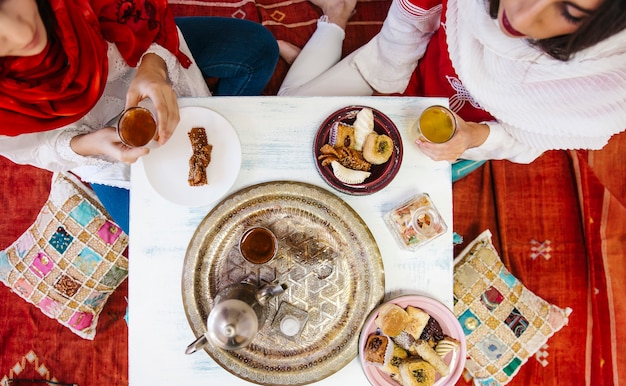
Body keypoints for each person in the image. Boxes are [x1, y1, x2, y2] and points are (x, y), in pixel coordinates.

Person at [0, 0, 279, 232]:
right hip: (98, 146)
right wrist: (90, 144)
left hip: (139, 42)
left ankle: (214, 109)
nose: (23, 33)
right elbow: (34, 149)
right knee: (169, 233)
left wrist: (154, 63)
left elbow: (143, 9)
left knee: (260, 48)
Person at [277, 0, 626, 171]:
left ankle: (323, 49)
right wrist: (386, 83)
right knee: (285, 120)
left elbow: (528, 139)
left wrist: (472, 136)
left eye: (569, 11)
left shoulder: (603, 82)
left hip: (463, 138)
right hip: (402, 66)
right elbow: (407, 23)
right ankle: (336, 17)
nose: (518, 18)